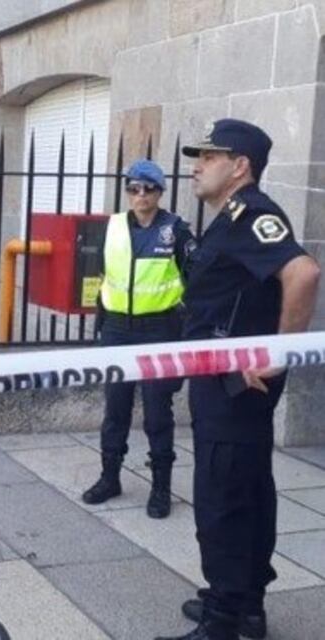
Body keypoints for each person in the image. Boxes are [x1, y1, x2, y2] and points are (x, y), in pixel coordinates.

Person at [155, 120, 320, 640]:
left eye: (208, 156)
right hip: (226, 384)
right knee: (248, 489)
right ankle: (243, 603)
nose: (195, 165)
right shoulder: (228, 218)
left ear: (240, 165)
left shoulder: (253, 214)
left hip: (235, 387)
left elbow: (303, 273)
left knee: (222, 496)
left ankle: (224, 620)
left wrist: (278, 352)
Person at [82, 159, 195, 519]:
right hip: (116, 329)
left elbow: (198, 281)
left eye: (147, 188)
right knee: (115, 409)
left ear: (160, 192)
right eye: (133, 188)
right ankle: (109, 477)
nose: (140, 195)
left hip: (159, 330)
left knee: (157, 413)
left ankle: (160, 488)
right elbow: (98, 273)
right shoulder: (112, 226)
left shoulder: (176, 230)